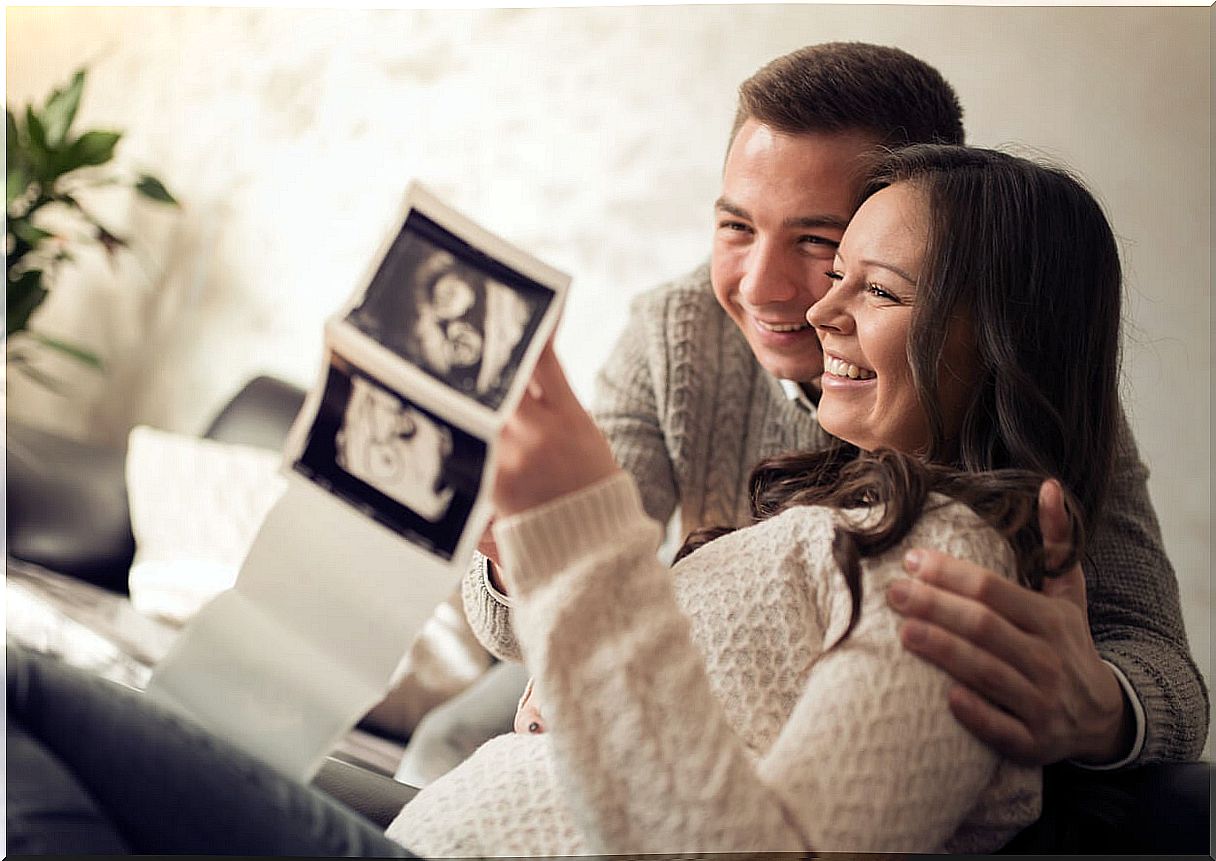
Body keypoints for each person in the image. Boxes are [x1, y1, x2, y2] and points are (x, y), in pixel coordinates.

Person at [9, 143, 1147, 855]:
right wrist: (525, 553)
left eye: (873, 284)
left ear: (991, 336)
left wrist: (590, 549)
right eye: (827, 265)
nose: (814, 308)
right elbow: (589, 670)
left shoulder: (958, 571)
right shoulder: (805, 497)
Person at [463, 41, 1207, 770]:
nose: (760, 287)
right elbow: (571, 577)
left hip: (748, 743)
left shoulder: (1016, 393)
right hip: (670, 675)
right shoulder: (676, 330)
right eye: (736, 226)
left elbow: (1160, 668)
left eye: (820, 241)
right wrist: (523, 555)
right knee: (452, 739)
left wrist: (1098, 705)